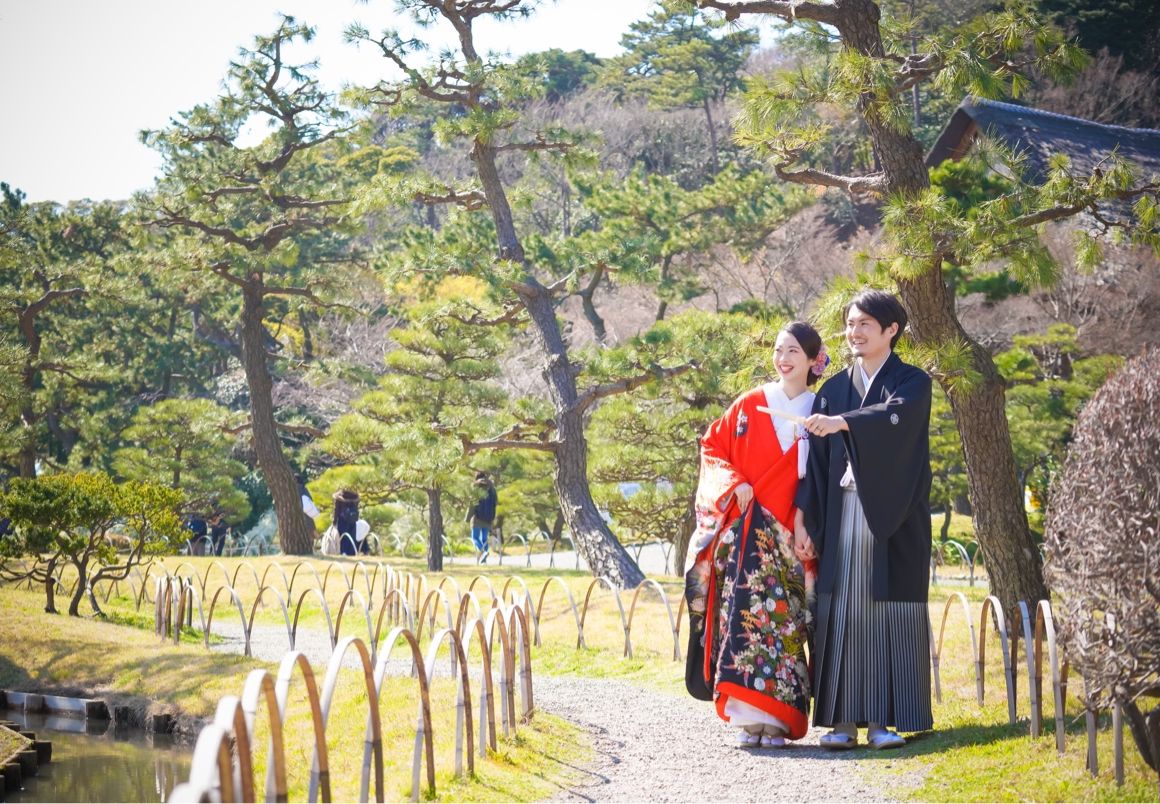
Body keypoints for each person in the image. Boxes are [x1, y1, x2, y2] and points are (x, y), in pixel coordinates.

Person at [795, 290, 934, 750]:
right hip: (840, 514)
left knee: (883, 610)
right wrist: (805, 521)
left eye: (864, 325)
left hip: (892, 517)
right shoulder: (833, 389)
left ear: (891, 330)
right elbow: (815, 467)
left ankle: (882, 723)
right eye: (850, 324)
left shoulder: (912, 382)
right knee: (842, 613)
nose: (854, 333)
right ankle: (842, 723)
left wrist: (845, 424)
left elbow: (896, 417)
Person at [684, 321, 826, 748]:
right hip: (747, 531)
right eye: (779, 350)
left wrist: (808, 521)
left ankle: (780, 719)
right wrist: (734, 483)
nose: (783, 359)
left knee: (786, 624)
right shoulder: (750, 404)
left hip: (793, 535)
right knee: (744, 620)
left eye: (793, 351)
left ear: (813, 360)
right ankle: (748, 718)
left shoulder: (822, 408)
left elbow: (824, 475)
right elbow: (712, 447)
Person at [466, 472, 498, 563]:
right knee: (484, 539)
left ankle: (484, 552)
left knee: (475, 537)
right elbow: (495, 502)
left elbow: (472, 504)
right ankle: (484, 558)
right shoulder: (492, 488)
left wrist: (468, 518)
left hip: (477, 518)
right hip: (488, 518)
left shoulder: (476, 487)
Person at [332, 489, 362, 556]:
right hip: (353, 519)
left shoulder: (339, 497)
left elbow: (336, 510)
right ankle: (352, 552)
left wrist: (334, 521)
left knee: (343, 536)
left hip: (343, 520)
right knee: (352, 535)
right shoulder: (355, 497)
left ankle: (343, 551)